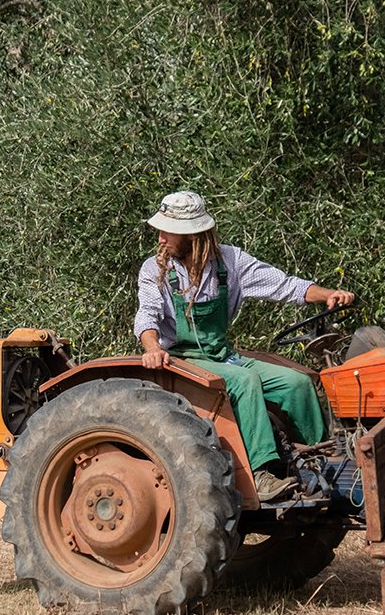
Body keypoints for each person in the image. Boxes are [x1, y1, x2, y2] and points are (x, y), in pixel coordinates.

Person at [134, 190, 355, 503]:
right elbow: (148, 314)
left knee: (297, 383)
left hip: (222, 355)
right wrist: (152, 348)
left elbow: (284, 285)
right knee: (244, 381)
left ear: (190, 233)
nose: (160, 237)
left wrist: (327, 294)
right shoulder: (155, 269)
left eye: (166, 231)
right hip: (182, 359)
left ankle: (323, 464)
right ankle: (261, 473)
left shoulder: (231, 262)